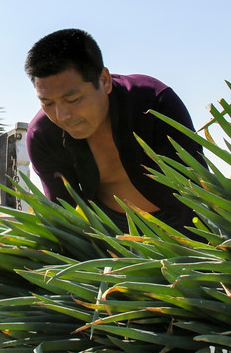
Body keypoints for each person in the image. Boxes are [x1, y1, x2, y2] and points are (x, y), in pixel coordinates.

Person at [24, 28, 204, 230]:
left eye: (72, 99)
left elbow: (195, 188)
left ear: (104, 80)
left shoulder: (155, 103)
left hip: (180, 220)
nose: (62, 115)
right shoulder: (42, 136)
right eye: (47, 103)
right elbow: (63, 214)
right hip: (111, 230)